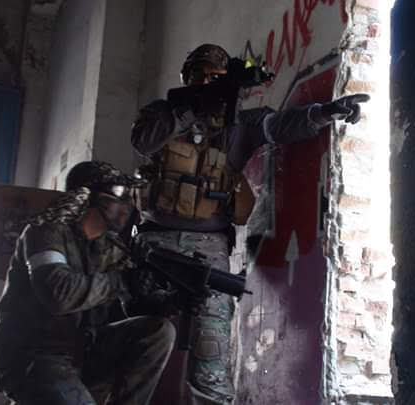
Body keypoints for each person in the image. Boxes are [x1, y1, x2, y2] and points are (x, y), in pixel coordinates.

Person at [129, 43, 369, 404]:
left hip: (208, 250)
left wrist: (326, 112)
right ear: (189, 78)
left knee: (211, 350)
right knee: (142, 341)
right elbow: (144, 141)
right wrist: (193, 108)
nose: (211, 83)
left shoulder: (240, 123)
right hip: (155, 245)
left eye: (218, 78)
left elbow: (281, 126)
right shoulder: (163, 114)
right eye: (203, 76)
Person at [0, 161, 182, 405]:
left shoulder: (111, 248)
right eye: (119, 196)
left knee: (159, 331)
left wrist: (168, 302)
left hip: (82, 352)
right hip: (33, 358)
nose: (127, 206)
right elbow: (58, 293)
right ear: (87, 198)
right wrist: (122, 281)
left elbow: (128, 308)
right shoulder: (45, 233)